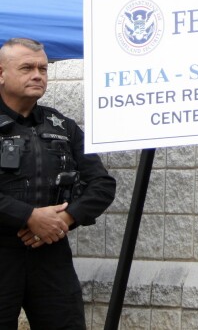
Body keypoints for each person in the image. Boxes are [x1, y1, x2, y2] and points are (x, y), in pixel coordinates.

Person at [0, 38, 116, 329]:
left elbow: (101, 184)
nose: (38, 75)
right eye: (26, 67)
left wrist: (64, 218)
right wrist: (29, 216)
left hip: (50, 252)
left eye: (43, 68)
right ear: (1, 73)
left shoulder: (63, 126)